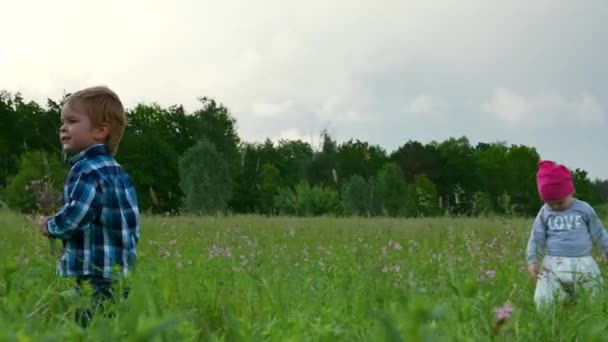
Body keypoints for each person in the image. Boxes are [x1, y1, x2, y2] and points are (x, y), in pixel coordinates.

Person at [37, 85, 140, 327]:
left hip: (96, 275)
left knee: (85, 328)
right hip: (120, 274)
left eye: (72, 121)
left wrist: (49, 226)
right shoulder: (118, 171)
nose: (63, 127)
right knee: (105, 327)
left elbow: (75, 218)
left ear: (100, 131)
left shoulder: (87, 170)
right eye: (62, 122)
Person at [526, 160, 608, 309]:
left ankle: (590, 320)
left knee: (593, 297)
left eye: (560, 202)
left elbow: (598, 233)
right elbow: (536, 237)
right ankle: (550, 323)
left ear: (571, 191)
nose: (555, 206)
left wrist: (606, 249)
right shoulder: (544, 212)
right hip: (553, 264)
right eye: (551, 203)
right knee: (544, 299)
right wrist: (532, 260)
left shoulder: (584, 209)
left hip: (584, 263)